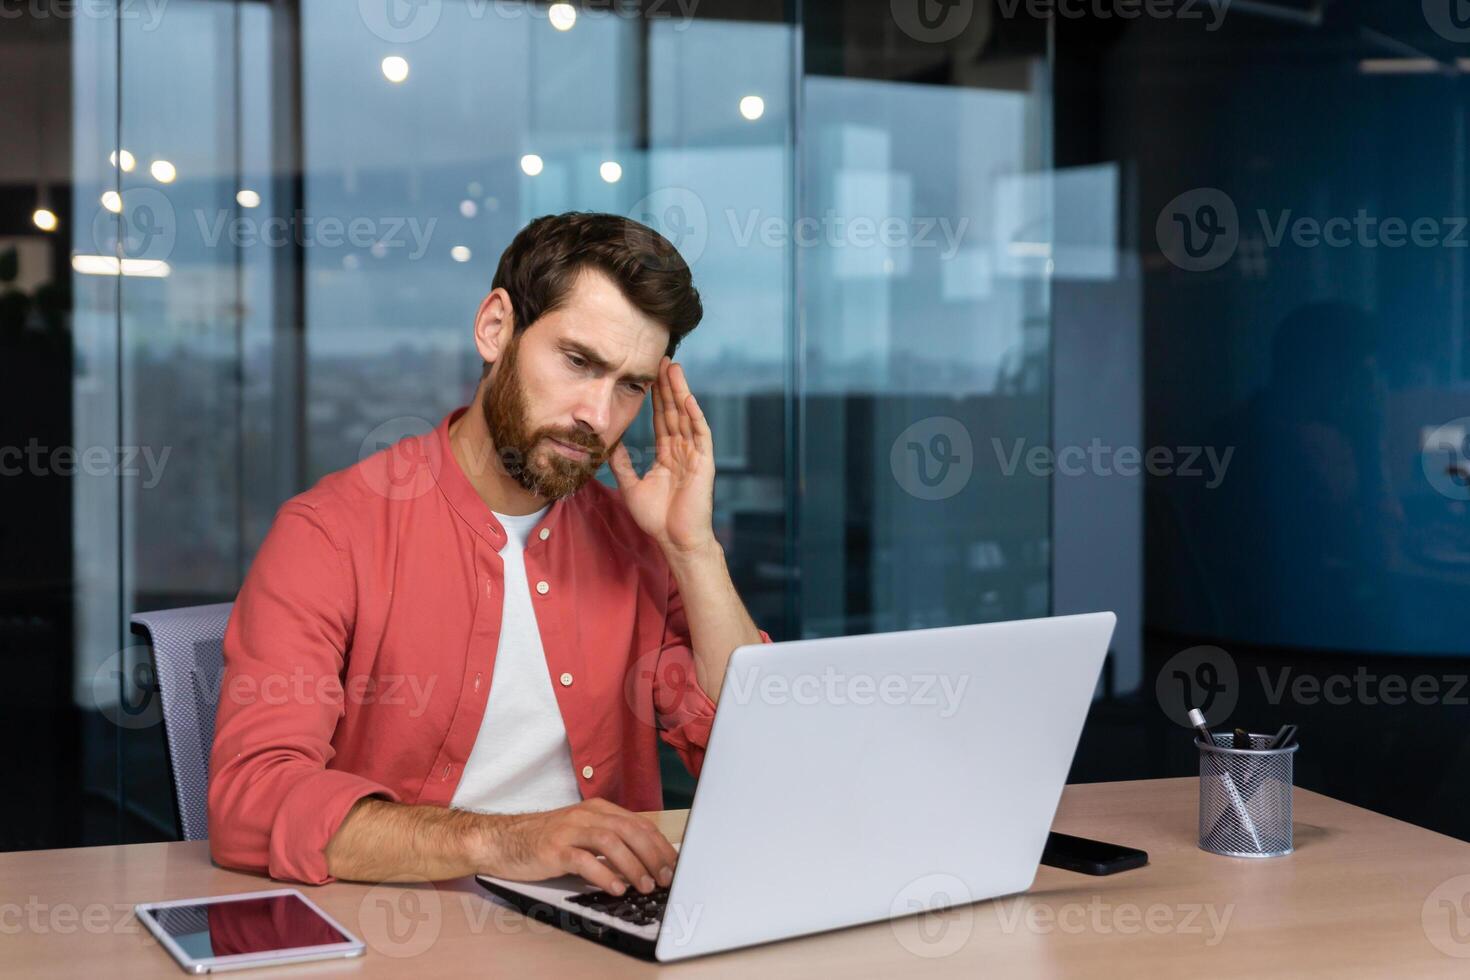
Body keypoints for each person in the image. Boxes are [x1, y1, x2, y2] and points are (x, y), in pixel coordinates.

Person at [208, 212, 768, 899]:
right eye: (578, 361)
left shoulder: (639, 546)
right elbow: (252, 801)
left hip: (601, 933)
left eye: (631, 385)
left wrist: (693, 551)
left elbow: (755, 757)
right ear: (496, 328)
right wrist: (508, 840)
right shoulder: (330, 533)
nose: (597, 413)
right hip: (406, 934)